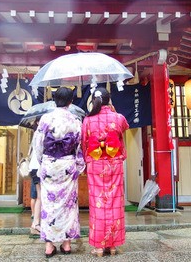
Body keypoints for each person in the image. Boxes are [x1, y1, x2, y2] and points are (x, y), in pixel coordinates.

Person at [32, 87, 85, 258]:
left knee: (49, 204)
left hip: (49, 163)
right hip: (67, 165)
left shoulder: (46, 118)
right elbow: (79, 145)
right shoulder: (75, 120)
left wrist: (42, 162)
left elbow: (38, 143)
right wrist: (79, 166)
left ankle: (49, 246)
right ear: (71, 101)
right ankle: (67, 244)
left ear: (55, 100)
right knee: (68, 205)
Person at [81, 87, 129, 257]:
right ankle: (113, 245)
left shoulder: (87, 120)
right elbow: (124, 128)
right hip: (114, 163)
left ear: (94, 101)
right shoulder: (118, 117)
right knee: (115, 202)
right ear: (109, 100)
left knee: (97, 204)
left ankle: (99, 247)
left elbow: (84, 144)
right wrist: (113, 111)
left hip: (95, 164)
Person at [29, 126, 41, 235]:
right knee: (40, 196)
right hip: (39, 167)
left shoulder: (36, 133)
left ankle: (35, 224)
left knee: (39, 196)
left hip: (34, 167)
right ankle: (36, 224)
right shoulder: (41, 132)